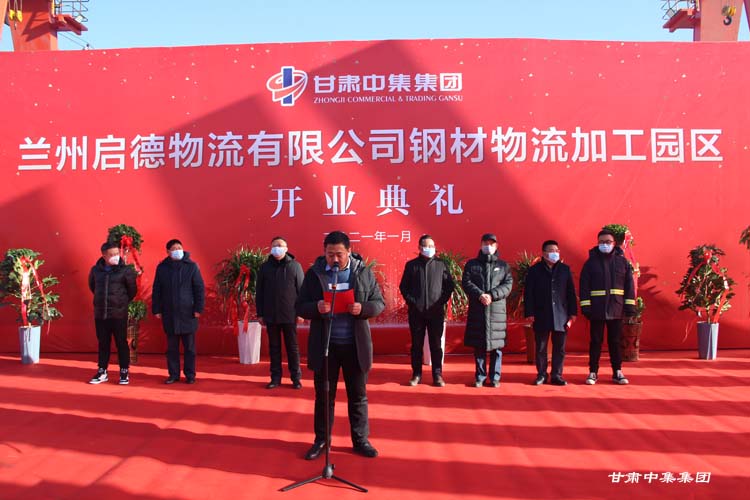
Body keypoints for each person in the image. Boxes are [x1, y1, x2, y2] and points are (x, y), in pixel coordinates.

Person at [296, 231, 385, 460]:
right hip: (326, 346)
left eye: (339, 254)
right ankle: (322, 440)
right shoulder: (315, 274)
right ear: (324, 252)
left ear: (349, 252)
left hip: (355, 345)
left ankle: (361, 440)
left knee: (358, 396)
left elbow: (379, 303)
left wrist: (363, 308)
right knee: (324, 396)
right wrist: (316, 307)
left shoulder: (362, 272)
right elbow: (300, 305)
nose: (334, 259)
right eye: (330, 254)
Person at [579, 229, 635, 385]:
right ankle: (593, 372)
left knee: (615, 341)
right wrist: (586, 307)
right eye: (602, 242)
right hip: (596, 309)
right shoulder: (590, 263)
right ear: (597, 243)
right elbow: (584, 286)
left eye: (608, 242)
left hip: (616, 309)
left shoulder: (623, 263)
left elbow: (629, 286)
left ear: (614, 243)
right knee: (595, 341)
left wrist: (630, 307)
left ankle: (617, 372)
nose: (605, 244)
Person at [399, 234, 454, 387]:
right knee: (416, 345)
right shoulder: (411, 265)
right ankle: (416, 374)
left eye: (432, 246)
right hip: (416, 313)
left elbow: (449, 286)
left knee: (436, 345)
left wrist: (440, 302)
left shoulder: (441, 264)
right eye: (426, 246)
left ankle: (437, 375)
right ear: (420, 247)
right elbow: (404, 287)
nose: (430, 249)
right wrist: (413, 302)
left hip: (436, 312)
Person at [524, 240, 577, 386]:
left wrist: (573, 313)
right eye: (551, 251)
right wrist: (529, 312)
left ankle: (556, 375)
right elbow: (529, 293)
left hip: (561, 314)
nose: (555, 253)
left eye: (557, 251)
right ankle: (541, 374)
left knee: (559, 348)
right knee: (541, 347)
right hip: (541, 313)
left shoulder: (565, 270)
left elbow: (571, 293)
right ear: (544, 253)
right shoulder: (534, 270)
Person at [461, 233, 513, 388]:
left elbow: (508, 285)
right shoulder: (472, 264)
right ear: (481, 245)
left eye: (491, 244)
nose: (488, 246)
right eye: (485, 243)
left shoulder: (503, 266)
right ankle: (480, 377)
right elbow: (466, 282)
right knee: (479, 346)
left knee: (497, 348)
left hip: (497, 313)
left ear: (496, 246)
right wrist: (480, 295)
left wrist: (491, 295)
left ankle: (495, 377)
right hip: (478, 310)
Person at [152, 239, 205, 384]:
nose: (177, 250)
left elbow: (199, 289)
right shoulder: (162, 268)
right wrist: (156, 309)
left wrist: (198, 308)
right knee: (172, 348)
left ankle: (190, 375)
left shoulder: (192, 266)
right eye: (174, 249)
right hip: (169, 313)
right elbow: (157, 289)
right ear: (168, 252)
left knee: (190, 348)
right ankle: (173, 374)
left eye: (179, 248)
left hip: (188, 313)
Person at [255, 236, 304, 389]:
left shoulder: (295, 266)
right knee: (274, 348)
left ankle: (296, 378)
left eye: (280, 245)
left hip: (290, 314)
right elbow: (259, 292)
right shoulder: (265, 267)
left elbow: (301, 291)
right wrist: (260, 313)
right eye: (275, 245)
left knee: (292, 348)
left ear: (286, 248)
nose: (277, 248)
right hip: (271, 314)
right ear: (271, 248)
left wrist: (301, 312)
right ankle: (275, 378)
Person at [88, 242, 137, 385]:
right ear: (104, 256)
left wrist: (121, 302)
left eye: (117, 253)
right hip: (101, 314)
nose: (116, 256)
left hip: (118, 314)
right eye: (112, 254)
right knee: (103, 343)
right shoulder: (96, 270)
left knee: (121, 343)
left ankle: (124, 371)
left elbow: (132, 291)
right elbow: (92, 286)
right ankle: (102, 371)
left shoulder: (126, 270)